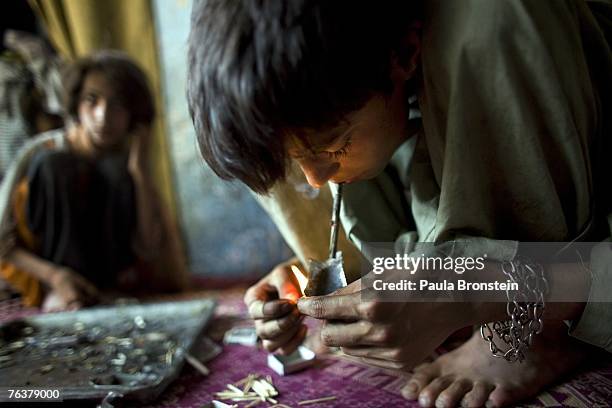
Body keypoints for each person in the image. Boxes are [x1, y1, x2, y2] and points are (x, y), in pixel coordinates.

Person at [187, 1, 612, 407]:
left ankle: (542, 332)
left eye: (333, 146)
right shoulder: (364, 100)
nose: (315, 179)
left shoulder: (486, 34)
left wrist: (473, 292)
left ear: (406, 53)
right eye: (296, 165)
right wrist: (315, 278)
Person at [0, 50, 187, 311]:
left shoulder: (123, 163)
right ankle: (65, 292)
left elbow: (147, 246)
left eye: (118, 104)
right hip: (50, 278)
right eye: (92, 100)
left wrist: (140, 170)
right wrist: (56, 276)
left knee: (114, 170)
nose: (103, 115)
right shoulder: (40, 152)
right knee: (57, 165)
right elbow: (3, 245)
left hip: (113, 281)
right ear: (76, 104)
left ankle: (100, 290)